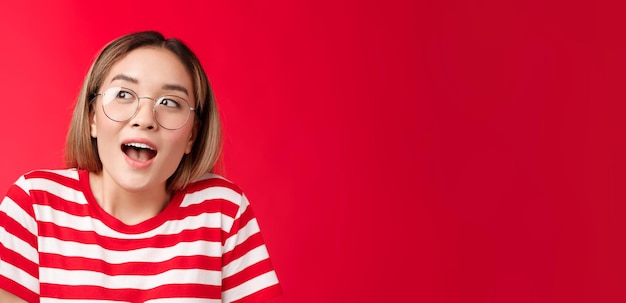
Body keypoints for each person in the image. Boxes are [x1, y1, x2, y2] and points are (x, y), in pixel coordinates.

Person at [0, 31, 281, 303]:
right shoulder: (35, 204)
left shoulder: (222, 211)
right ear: (92, 118)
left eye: (170, 102)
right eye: (123, 94)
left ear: (192, 136)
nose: (145, 119)